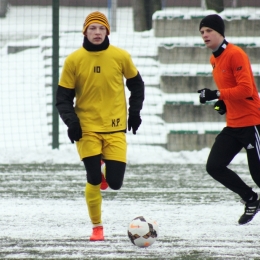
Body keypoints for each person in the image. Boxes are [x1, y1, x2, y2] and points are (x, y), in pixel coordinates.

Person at [56, 11, 145, 240]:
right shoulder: (73, 60)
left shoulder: (120, 56)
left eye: (101, 28)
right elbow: (62, 98)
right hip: (86, 129)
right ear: (85, 32)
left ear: (108, 32)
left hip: (115, 127)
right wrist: (72, 122)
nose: (97, 33)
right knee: (93, 178)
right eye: (92, 28)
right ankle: (97, 228)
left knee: (114, 184)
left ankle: (104, 166)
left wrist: (134, 113)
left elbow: (137, 85)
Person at [197, 14, 260, 225]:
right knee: (214, 166)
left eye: (209, 31)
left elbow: (246, 89)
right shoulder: (213, 58)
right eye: (202, 32)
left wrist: (216, 95)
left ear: (220, 32)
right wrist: (221, 103)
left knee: (259, 176)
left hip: (252, 123)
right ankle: (251, 199)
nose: (205, 35)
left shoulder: (235, 54)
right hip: (233, 125)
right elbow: (229, 89)